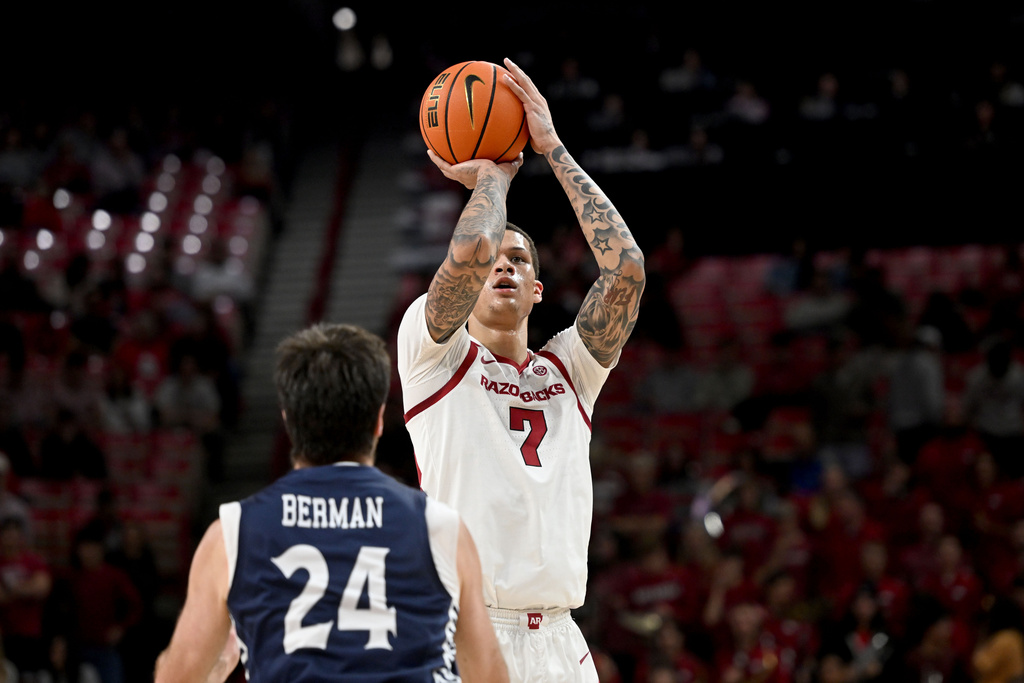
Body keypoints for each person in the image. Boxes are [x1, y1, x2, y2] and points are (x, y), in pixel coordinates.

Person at [397, 57, 645, 683]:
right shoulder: (433, 355)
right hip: (469, 629)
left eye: (520, 260)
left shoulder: (570, 370)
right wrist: (494, 175)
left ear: (537, 288)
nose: (501, 265)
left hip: (560, 639)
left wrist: (554, 148)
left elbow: (627, 270)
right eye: (493, 261)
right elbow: (471, 249)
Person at [154, 323, 507, 683]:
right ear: (378, 421)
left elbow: (175, 677)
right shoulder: (442, 528)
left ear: (288, 420)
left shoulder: (231, 533)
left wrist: (217, 669)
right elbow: (488, 674)